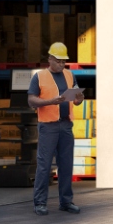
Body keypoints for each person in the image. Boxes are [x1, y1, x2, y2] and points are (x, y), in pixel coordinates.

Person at [28, 43, 85, 215]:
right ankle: (39, 203)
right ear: (50, 59)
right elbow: (31, 100)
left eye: (64, 62)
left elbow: (76, 99)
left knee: (66, 165)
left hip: (66, 125)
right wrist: (50, 102)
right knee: (44, 165)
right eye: (58, 61)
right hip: (48, 126)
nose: (61, 64)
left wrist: (79, 98)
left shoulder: (69, 75)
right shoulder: (39, 77)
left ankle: (66, 202)